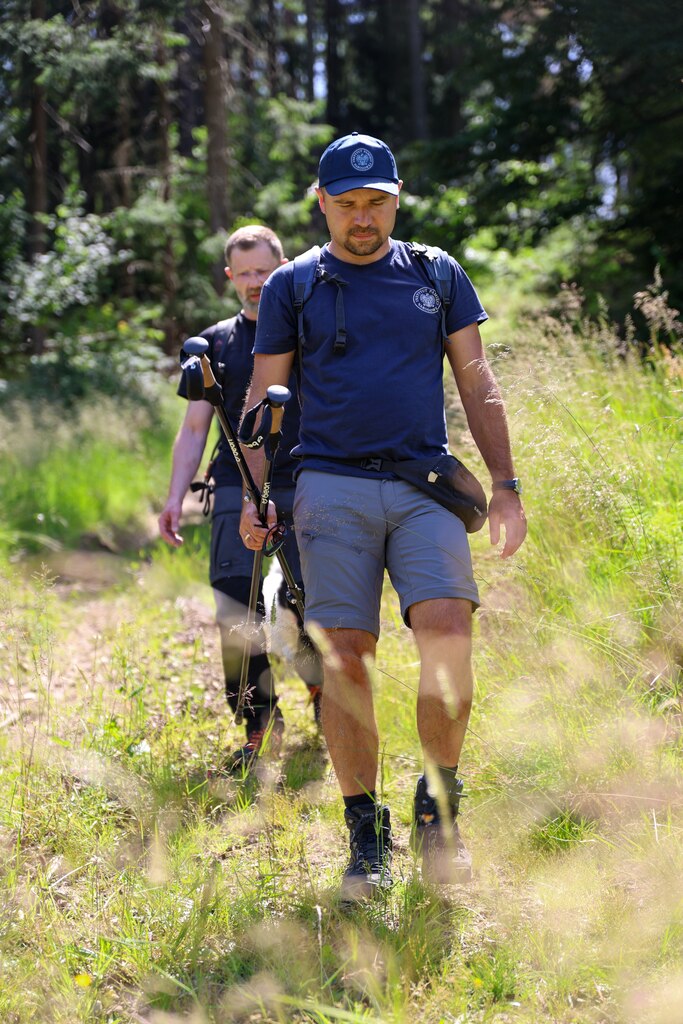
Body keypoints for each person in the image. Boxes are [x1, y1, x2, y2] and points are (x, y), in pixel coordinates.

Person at [239, 134, 527, 899]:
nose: (362, 218)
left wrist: (505, 484)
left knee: (448, 633)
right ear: (321, 202)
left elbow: (477, 379)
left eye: (376, 203)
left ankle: (438, 810)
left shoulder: (435, 273)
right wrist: (253, 495)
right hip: (328, 485)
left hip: (424, 483)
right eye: (347, 204)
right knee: (344, 658)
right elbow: (263, 399)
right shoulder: (293, 284)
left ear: (396, 200)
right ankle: (365, 834)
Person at [159, 224, 322, 773]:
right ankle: (260, 722)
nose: (255, 283)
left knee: (307, 598)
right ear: (230, 276)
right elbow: (193, 430)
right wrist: (174, 497)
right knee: (235, 603)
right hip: (235, 483)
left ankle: (324, 690)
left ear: (283, 268)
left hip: (307, 478)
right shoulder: (214, 344)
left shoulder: (311, 331)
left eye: (264, 271)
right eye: (244, 273)